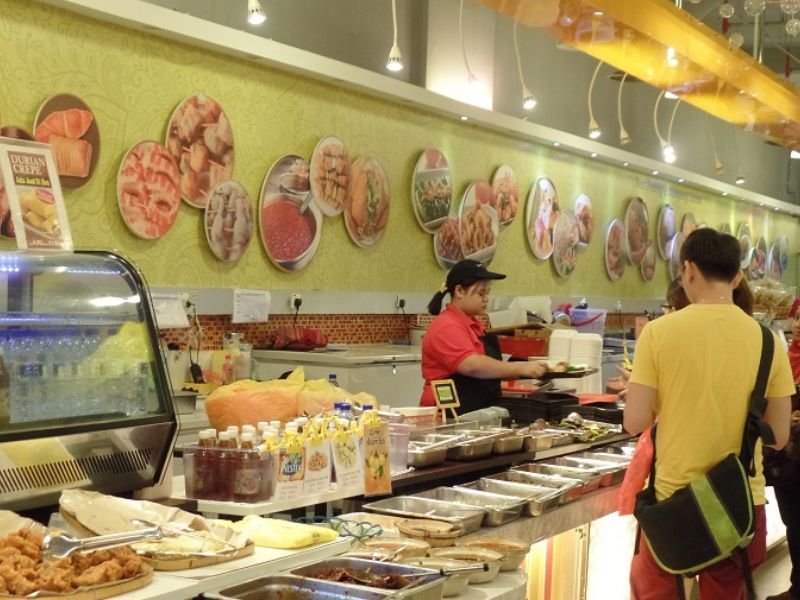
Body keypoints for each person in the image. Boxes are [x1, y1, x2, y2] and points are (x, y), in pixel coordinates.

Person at [624, 228, 794, 600]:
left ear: (687, 270)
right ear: (737, 276)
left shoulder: (657, 333)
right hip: (739, 506)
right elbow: (779, 436)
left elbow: (634, 422)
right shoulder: (769, 341)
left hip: (673, 505)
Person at [420, 259, 546, 414]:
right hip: (447, 414)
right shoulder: (447, 325)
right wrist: (521, 368)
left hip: (476, 410)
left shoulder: (474, 324)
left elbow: (487, 370)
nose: (486, 298)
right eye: (481, 293)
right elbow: (472, 366)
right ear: (459, 291)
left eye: (487, 292)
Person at [765, 314, 800, 600]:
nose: (799, 324)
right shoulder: (787, 356)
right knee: (793, 522)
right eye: (799, 318)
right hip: (787, 454)